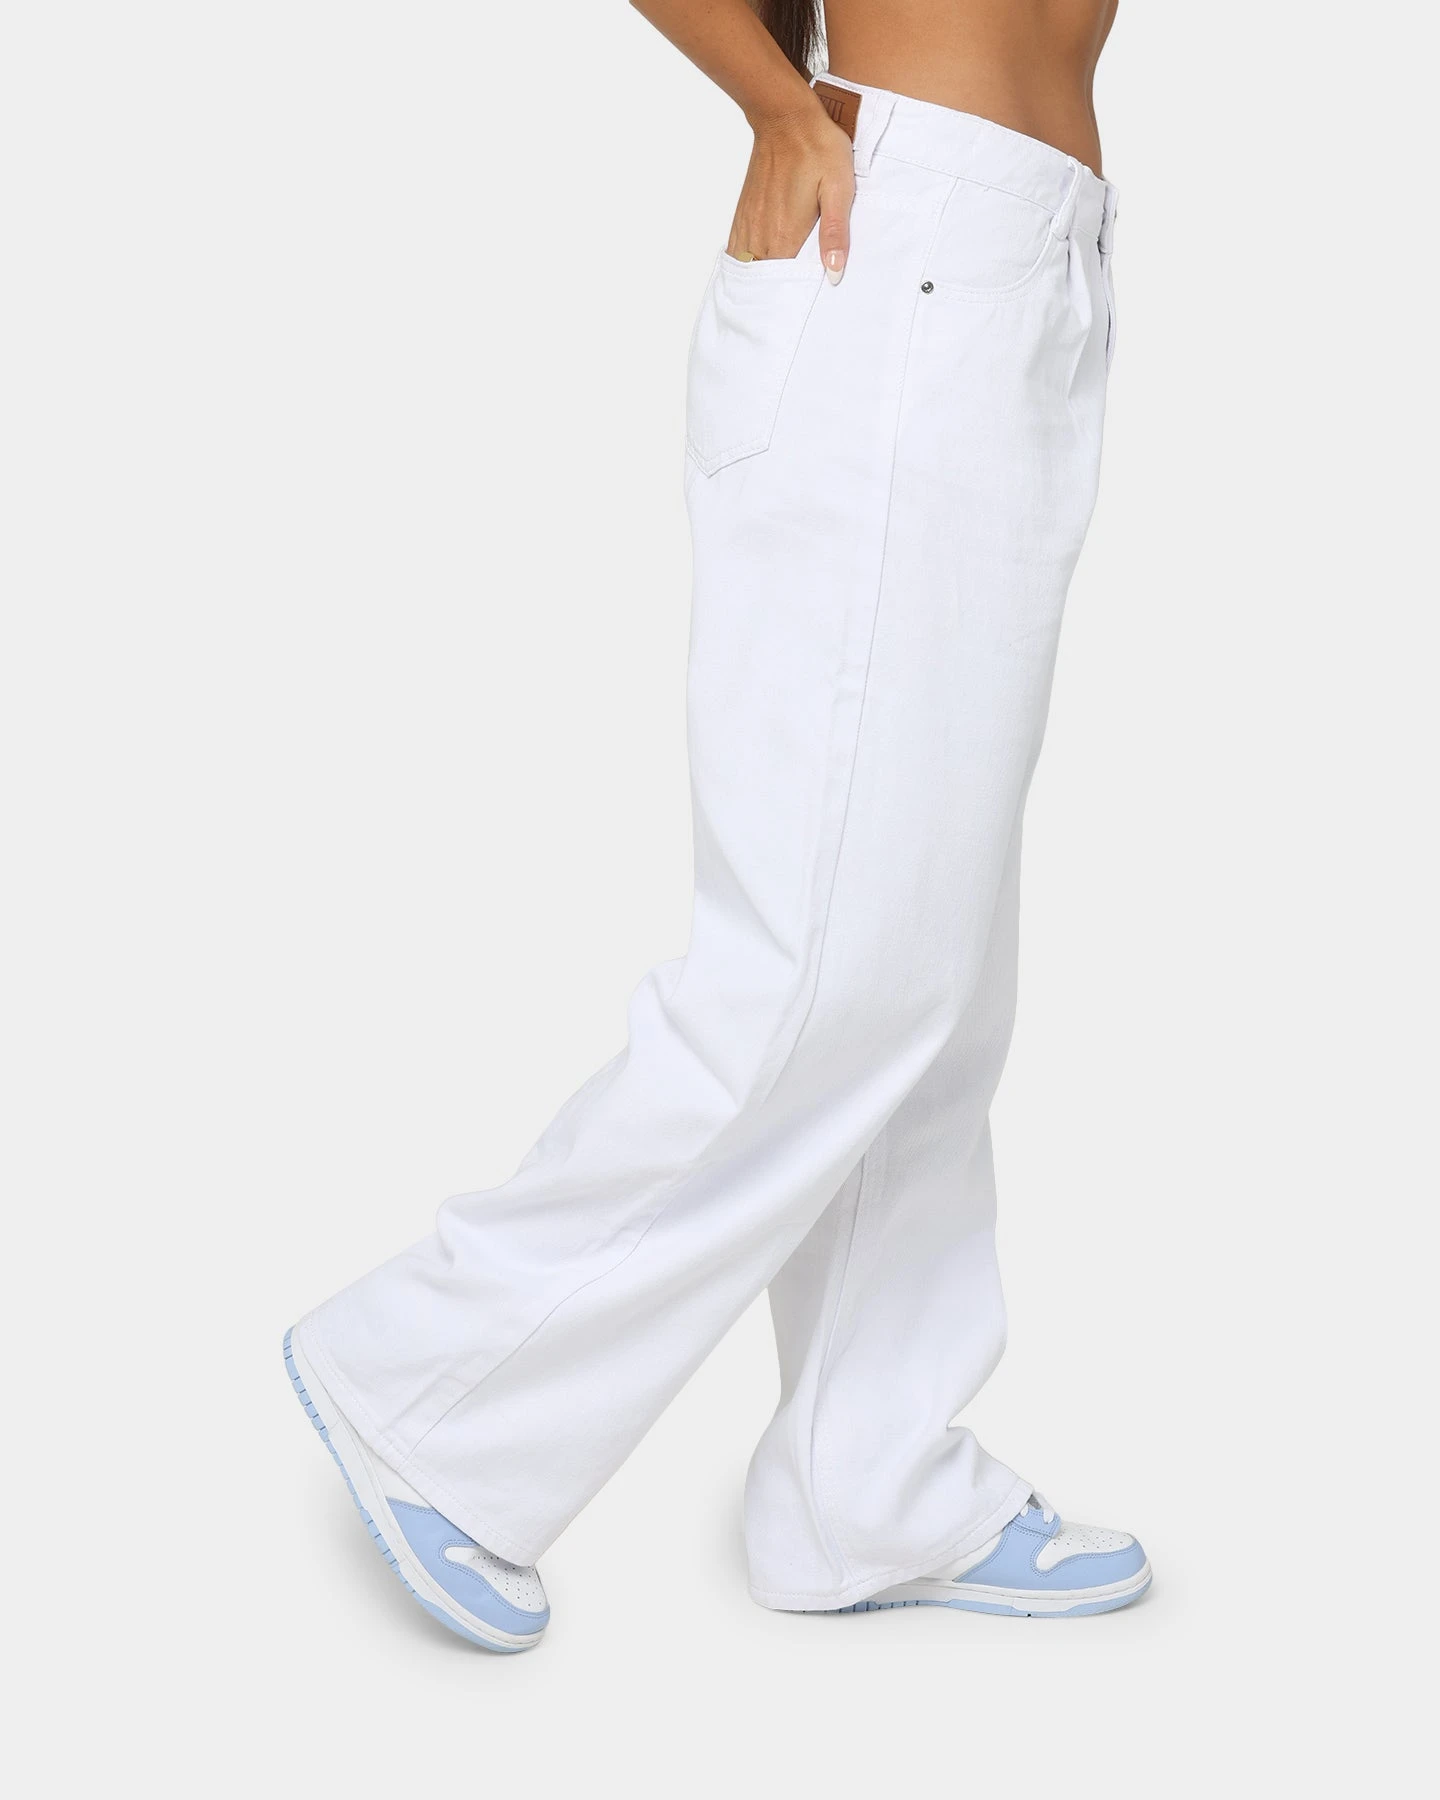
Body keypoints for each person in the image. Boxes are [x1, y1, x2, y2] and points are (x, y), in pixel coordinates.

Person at [284, 0, 1147, 1653]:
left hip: (1028, 266)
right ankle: (429, 1392)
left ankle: (867, 1483)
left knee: (932, 969)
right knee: (819, 964)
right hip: (896, 253)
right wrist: (774, 107)